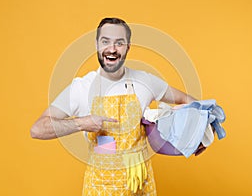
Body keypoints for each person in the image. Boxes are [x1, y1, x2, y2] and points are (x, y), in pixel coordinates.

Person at [31, 17, 205, 195]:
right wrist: (81, 123)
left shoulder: (145, 81)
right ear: (97, 44)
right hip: (101, 186)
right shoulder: (81, 88)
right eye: (105, 41)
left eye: (119, 43)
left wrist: (198, 135)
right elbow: (37, 129)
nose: (112, 49)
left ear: (128, 47)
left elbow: (188, 101)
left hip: (141, 184)